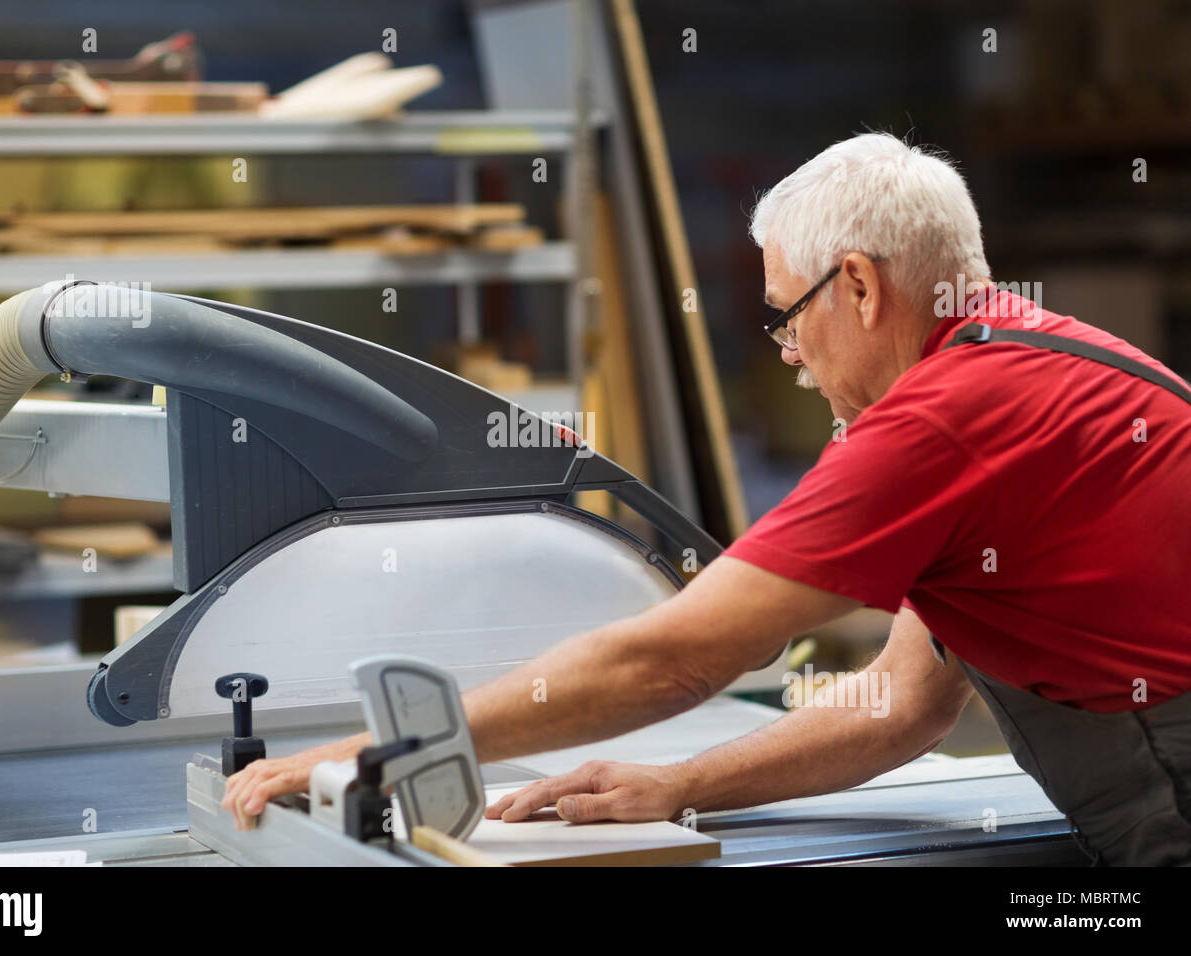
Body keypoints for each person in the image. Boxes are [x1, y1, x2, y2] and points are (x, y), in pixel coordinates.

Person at [223, 133, 1191, 865]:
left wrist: (369, 752)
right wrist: (678, 783)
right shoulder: (1021, 357)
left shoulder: (937, 423)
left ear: (856, 285)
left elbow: (668, 659)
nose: (787, 355)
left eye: (786, 315)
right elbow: (900, 700)